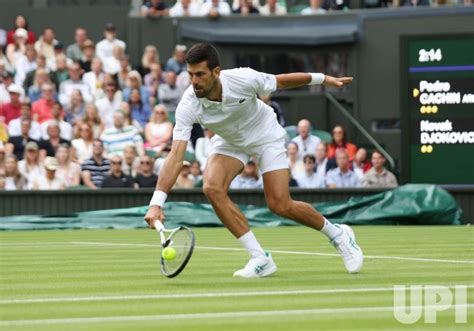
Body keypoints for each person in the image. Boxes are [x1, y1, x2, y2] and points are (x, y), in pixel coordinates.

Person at [144, 43, 362, 278]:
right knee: (211, 187)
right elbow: (176, 156)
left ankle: (338, 234)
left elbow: (282, 81)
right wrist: (157, 202)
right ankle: (260, 258)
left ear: (216, 72)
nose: (194, 81)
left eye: (200, 74)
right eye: (190, 75)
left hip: (265, 135)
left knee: (280, 204)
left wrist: (324, 78)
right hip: (231, 141)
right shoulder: (188, 105)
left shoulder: (242, 79)